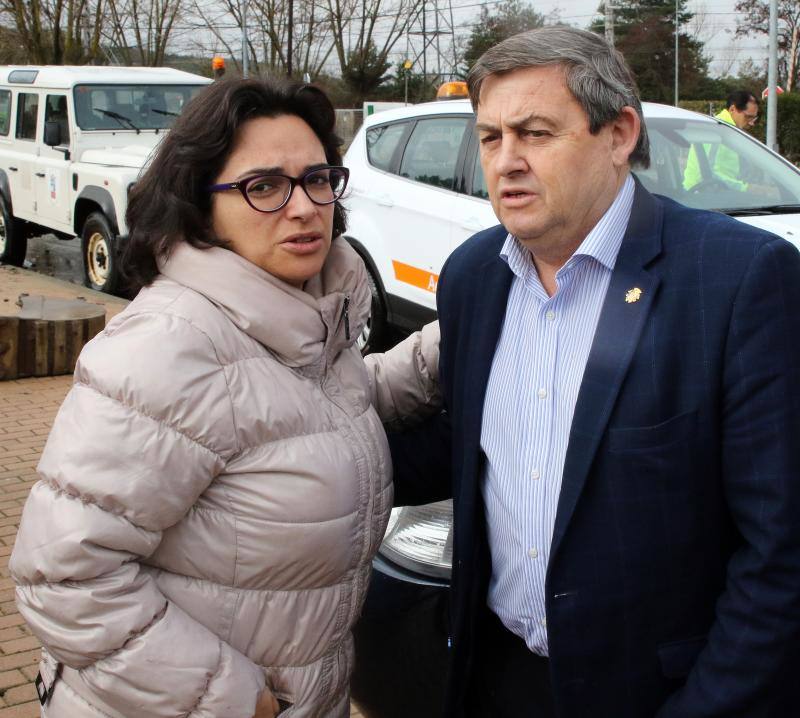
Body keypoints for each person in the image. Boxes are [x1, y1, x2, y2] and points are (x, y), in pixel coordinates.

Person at [391, 27, 800, 717]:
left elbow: (781, 554)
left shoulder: (738, 280)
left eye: (536, 133)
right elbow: (466, 449)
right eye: (490, 138)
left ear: (618, 135)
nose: (506, 162)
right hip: (498, 678)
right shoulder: (473, 278)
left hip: (658, 693)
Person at [9, 78, 440, 718]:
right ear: (200, 205)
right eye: (263, 187)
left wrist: (459, 337)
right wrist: (239, 702)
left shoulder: (302, 322)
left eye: (317, 178)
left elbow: (328, 412)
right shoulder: (169, 348)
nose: (303, 207)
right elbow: (66, 575)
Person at [683, 89, 759, 191]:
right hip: (702, 195)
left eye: (754, 118)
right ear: (732, 109)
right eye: (748, 117)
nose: (751, 123)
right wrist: (746, 188)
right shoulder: (715, 130)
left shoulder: (729, 131)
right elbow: (708, 173)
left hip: (719, 193)